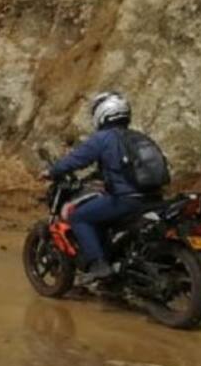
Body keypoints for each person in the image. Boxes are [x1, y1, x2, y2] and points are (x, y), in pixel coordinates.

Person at [42, 92, 152, 284]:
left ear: (102, 113)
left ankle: (98, 265)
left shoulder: (103, 138)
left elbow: (76, 160)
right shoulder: (138, 137)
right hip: (152, 198)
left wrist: (52, 171)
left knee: (80, 216)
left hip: (127, 200)